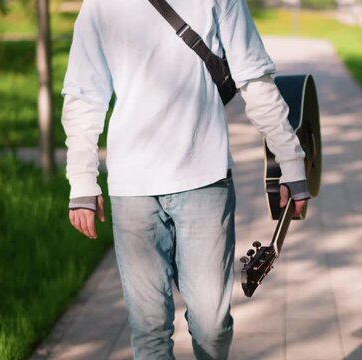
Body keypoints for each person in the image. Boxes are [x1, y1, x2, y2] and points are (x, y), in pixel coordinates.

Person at [61, 0, 309, 358]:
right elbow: (84, 95)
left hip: (204, 179)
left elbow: (254, 79)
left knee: (212, 328)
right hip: (133, 188)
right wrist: (82, 181)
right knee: (149, 331)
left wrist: (292, 162)